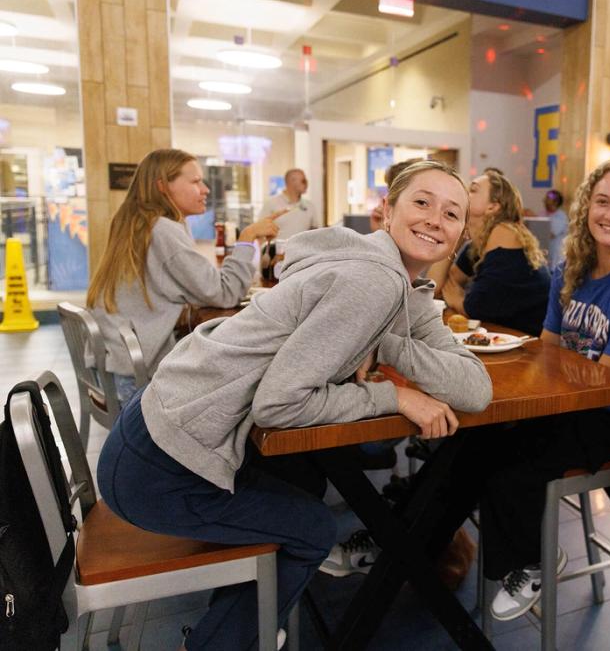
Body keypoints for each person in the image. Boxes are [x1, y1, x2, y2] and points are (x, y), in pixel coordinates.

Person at [96, 160, 493, 651]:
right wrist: (396, 394)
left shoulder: (394, 280)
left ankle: (252, 625)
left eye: (452, 214)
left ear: (461, 235)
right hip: (160, 470)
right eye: (422, 202)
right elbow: (280, 406)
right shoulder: (373, 280)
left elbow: (475, 389)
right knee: (311, 528)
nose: (436, 218)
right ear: (386, 211)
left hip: (149, 439)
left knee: (302, 480)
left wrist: (387, 343)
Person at [482, 159, 610, 621]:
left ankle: (536, 562)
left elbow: (602, 385)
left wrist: (533, 397)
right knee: (474, 444)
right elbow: (547, 349)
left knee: (506, 469)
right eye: (603, 201)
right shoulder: (571, 267)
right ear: (587, 205)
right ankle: (415, 549)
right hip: (571, 405)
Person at [88, 148, 282, 402]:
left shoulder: (135, 222)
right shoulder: (163, 230)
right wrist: (247, 238)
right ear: (162, 186)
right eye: (195, 181)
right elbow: (226, 293)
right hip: (135, 379)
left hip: (112, 367)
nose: (205, 190)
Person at [441, 169, 551, 336]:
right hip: (503, 338)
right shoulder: (480, 242)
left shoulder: (504, 233)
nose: (464, 193)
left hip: (528, 347)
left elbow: (475, 308)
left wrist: (459, 301)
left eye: (473, 190)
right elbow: (439, 284)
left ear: (493, 207)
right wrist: (456, 236)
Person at [262, 168, 321, 238]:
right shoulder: (271, 204)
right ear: (292, 182)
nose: (307, 184)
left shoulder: (310, 206)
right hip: (278, 248)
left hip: (302, 249)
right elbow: (260, 232)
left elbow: (315, 232)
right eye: (303, 181)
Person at [544, 189, 568, 270]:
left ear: (556, 202)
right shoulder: (543, 213)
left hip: (556, 259)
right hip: (546, 257)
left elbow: (551, 234)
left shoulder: (560, 216)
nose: (545, 201)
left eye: (548, 199)